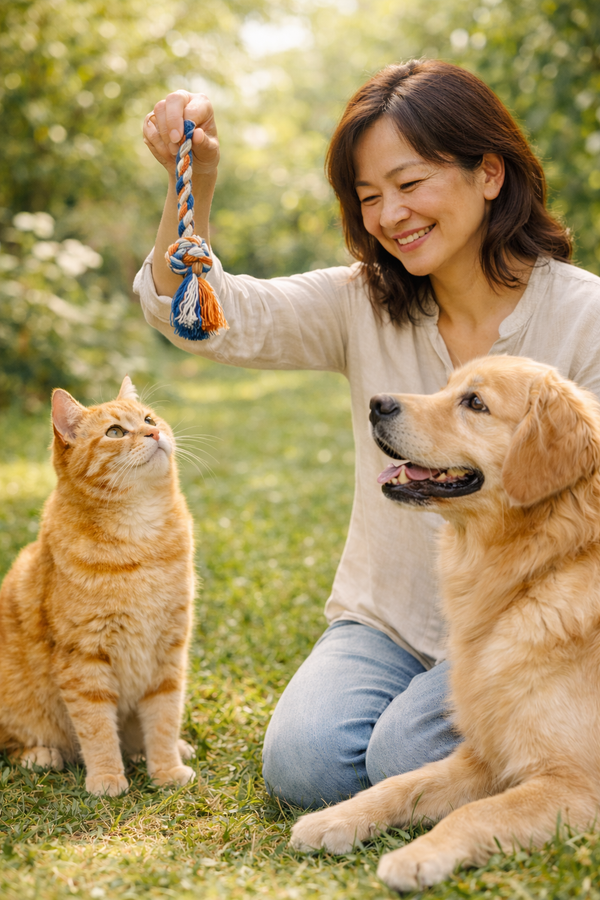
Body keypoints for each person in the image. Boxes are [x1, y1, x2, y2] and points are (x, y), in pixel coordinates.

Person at [136, 59, 600, 809]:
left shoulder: (585, 318)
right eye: (370, 196)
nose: (390, 216)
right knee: (307, 766)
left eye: (410, 184)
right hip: (388, 620)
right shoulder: (363, 301)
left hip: (538, 632)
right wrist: (195, 182)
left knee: (399, 754)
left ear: (489, 173)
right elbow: (198, 317)